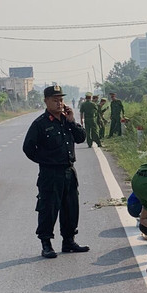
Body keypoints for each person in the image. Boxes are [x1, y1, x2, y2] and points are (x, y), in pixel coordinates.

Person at [21, 85, 90, 258]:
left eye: (61, 100)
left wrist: (72, 121)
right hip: (50, 174)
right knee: (48, 209)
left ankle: (69, 241)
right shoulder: (40, 124)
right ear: (46, 101)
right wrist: (46, 161)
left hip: (69, 171)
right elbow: (28, 148)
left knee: (71, 208)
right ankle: (46, 244)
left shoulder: (67, 121)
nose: (59, 103)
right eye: (55, 100)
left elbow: (81, 138)